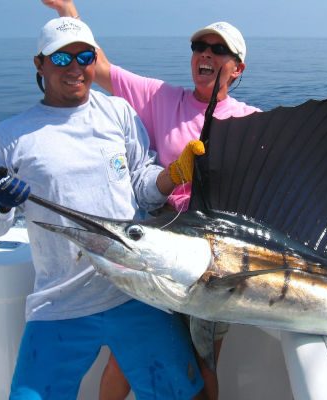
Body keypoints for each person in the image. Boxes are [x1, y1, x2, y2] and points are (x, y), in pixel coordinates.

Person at [0, 16, 206, 400]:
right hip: (59, 302)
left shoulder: (118, 113)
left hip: (134, 290)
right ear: (40, 64)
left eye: (84, 56)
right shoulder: (12, 135)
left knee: (186, 395)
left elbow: (142, 190)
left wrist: (171, 176)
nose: (75, 68)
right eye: (61, 59)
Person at [41, 2, 261, 399]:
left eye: (219, 50)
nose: (206, 54)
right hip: (157, 247)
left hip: (217, 261)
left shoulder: (254, 122)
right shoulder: (161, 97)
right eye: (199, 46)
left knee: (203, 358)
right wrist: (68, 10)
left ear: (237, 67)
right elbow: (100, 67)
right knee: (125, 359)